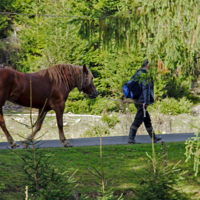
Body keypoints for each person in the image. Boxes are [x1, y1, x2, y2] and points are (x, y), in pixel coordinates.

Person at [128, 59, 162, 144]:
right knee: (138, 119)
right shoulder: (145, 75)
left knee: (147, 119)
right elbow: (146, 88)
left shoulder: (136, 74)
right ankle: (131, 138)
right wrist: (146, 102)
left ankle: (154, 138)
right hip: (142, 101)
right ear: (148, 66)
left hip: (136, 100)